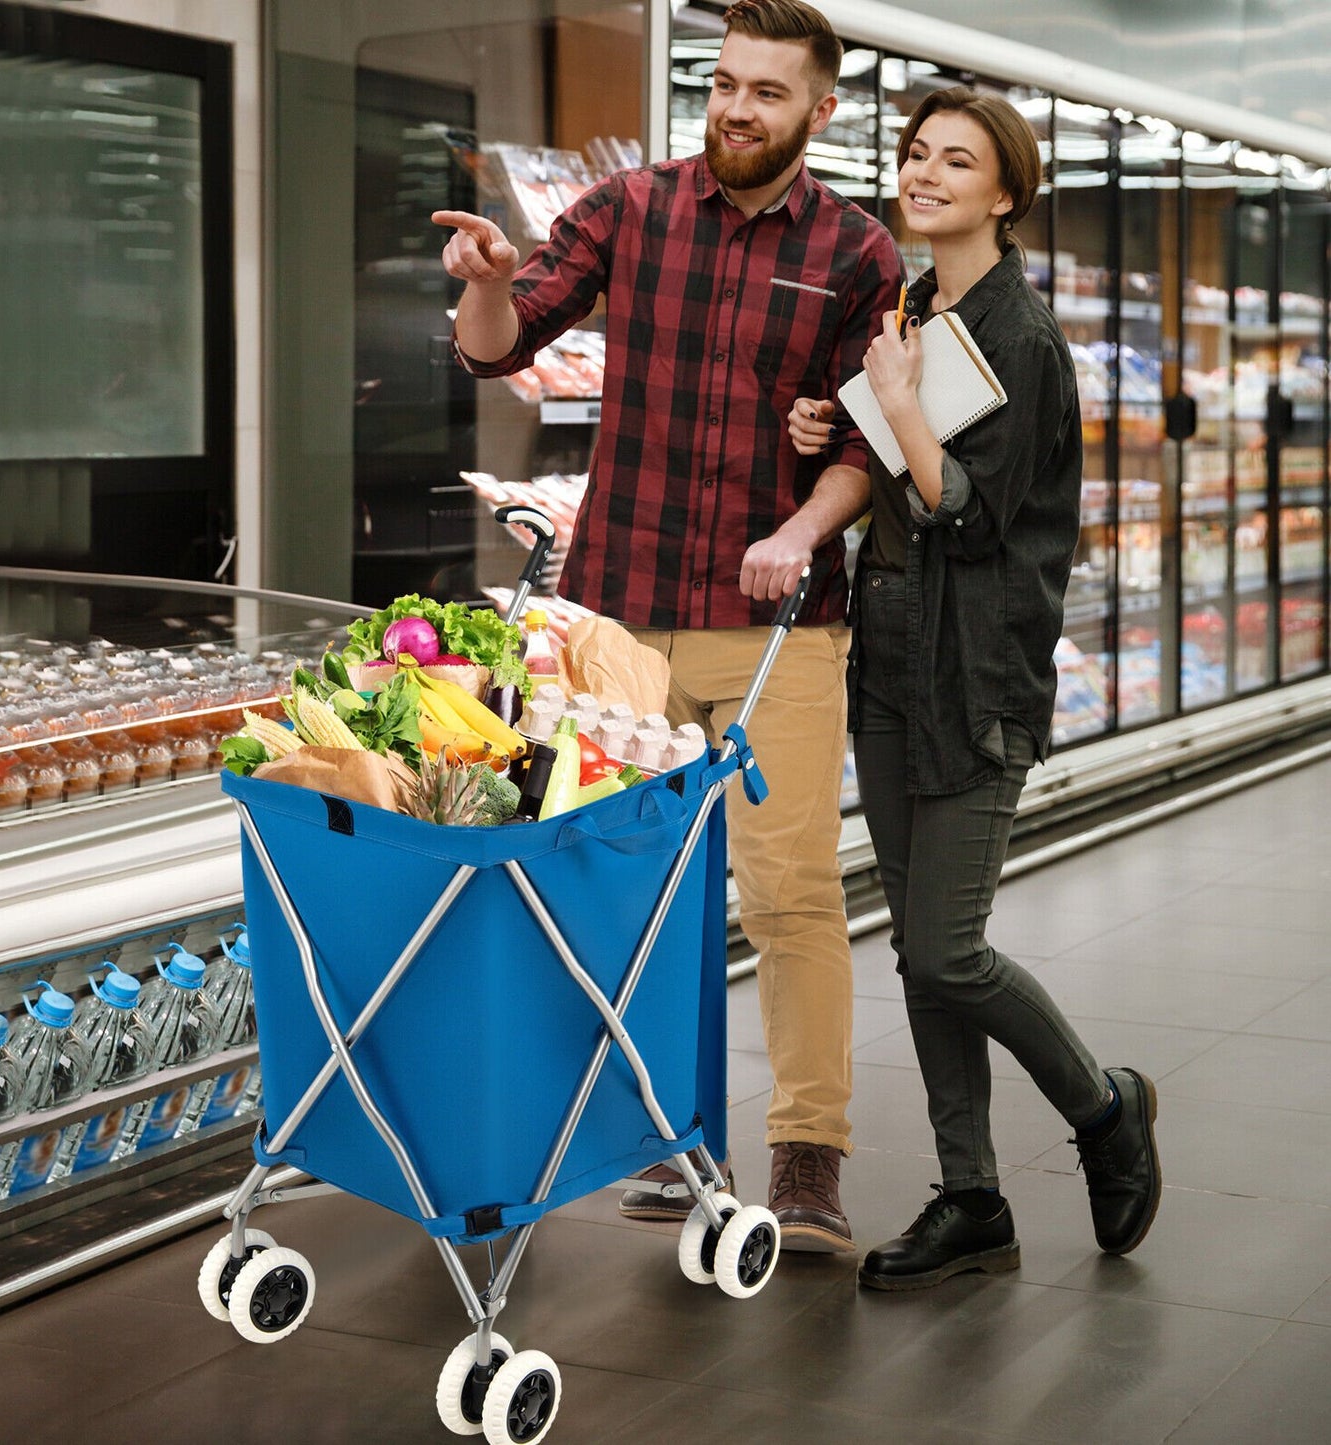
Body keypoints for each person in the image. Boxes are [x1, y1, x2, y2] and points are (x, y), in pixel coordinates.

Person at [434, 0, 903, 1253]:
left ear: (819, 110)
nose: (736, 109)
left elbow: (869, 440)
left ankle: (807, 1157)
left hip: (777, 626)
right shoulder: (627, 211)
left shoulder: (857, 254)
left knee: (790, 891)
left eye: (766, 92)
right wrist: (484, 288)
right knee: (633, 891)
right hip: (621, 622)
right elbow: (501, 338)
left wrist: (803, 529)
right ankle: (668, 1130)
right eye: (726, 84)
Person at [788, 86, 1161, 1289]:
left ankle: (1103, 1107)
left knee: (947, 950)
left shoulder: (1023, 336)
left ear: (1004, 193)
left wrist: (893, 407)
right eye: (912, 154)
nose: (924, 172)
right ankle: (970, 1194)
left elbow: (964, 505)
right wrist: (835, 429)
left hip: (976, 671)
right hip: (889, 658)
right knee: (914, 948)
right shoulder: (910, 305)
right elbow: (897, 478)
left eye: (956, 160)